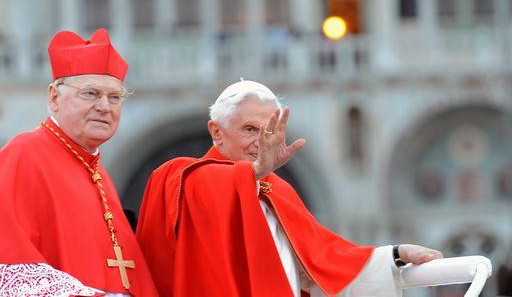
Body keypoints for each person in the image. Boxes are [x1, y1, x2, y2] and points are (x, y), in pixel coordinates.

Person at [137, 80, 443, 297]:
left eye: (269, 130)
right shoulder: (180, 177)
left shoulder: (277, 190)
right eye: (249, 130)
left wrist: (397, 254)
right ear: (217, 132)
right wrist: (254, 172)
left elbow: (325, 262)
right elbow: (207, 188)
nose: (262, 141)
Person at [0, 29, 158, 296]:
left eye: (115, 97)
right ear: (54, 97)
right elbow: (9, 265)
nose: (105, 107)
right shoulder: (24, 153)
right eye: (91, 94)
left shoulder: (98, 172)